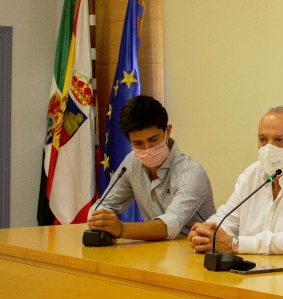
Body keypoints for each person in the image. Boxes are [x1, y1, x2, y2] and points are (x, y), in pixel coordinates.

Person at [188, 106, 283, 255]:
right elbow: (224, 222)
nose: (269, 148)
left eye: (279, 140)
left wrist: (236, 244)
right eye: (263, 139)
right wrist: (204, 234)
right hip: (253, 273)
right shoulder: (252, 174)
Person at [87, 95, 216, 241]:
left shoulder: (191, 173)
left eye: (153, 140)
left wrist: (121, 229)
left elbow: (170, 224)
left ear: (168, 131)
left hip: (194, 253)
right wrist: (100, 218)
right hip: (155, 252)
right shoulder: (131, 162)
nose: (147, 149)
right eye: (138, 144)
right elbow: (103, 204)